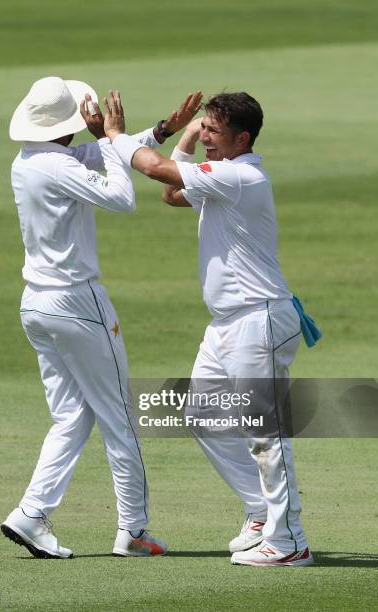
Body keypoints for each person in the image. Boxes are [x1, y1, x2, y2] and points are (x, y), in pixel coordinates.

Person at [103, 90, 315, 567]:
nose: (205, 139)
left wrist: (115, 136)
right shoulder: (222, 177)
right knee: (201, 414)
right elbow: (172, 194)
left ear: (242, 138)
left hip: (257, 319)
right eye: (204, 130)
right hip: (228, 324)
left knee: (265, 431)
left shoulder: (241, 176)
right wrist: (188, 136)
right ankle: (262, 514)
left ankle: (290, 542)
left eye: (213, 132)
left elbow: (155, 170)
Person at [1, 76, 201, 558]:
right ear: (69, 125)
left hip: (37, 304)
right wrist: (109, 135)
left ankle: (30, 514)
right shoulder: (56, 165)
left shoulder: (31, 159)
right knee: (119, 418)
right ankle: (133, 530)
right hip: (77, 303)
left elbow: (97, 157)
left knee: (70, 416)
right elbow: (122, 196)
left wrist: (158, 131)